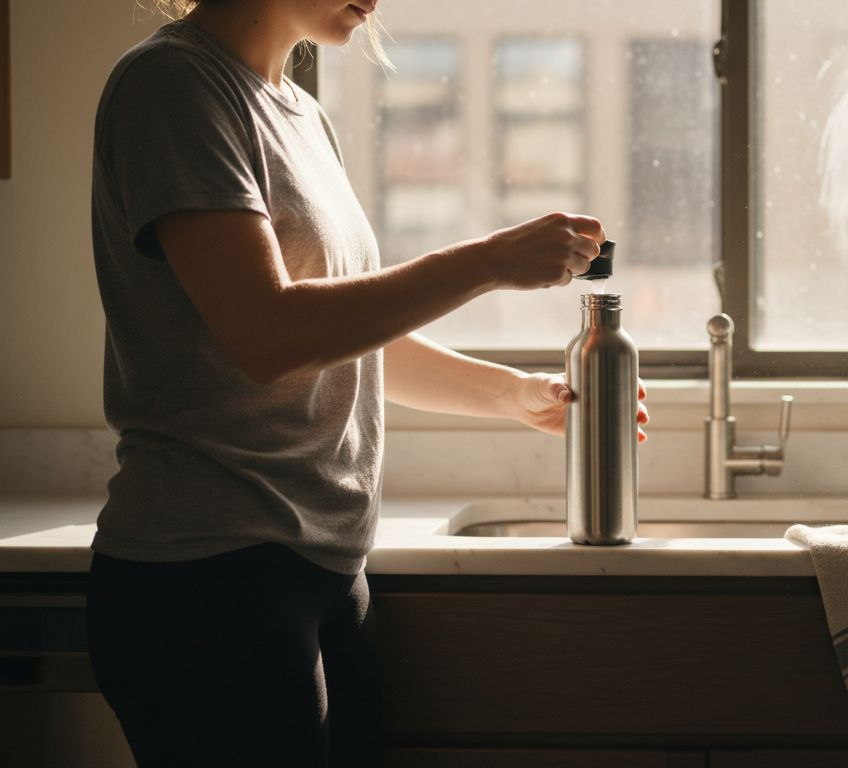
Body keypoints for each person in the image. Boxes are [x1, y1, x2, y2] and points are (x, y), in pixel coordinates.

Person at [86, 1, 648, 765]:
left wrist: (514, 395)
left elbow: (339, 336)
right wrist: (486, 262)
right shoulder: (173, 86)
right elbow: (268, 332)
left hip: (317, 565)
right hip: (208, 576)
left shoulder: (301, 116)